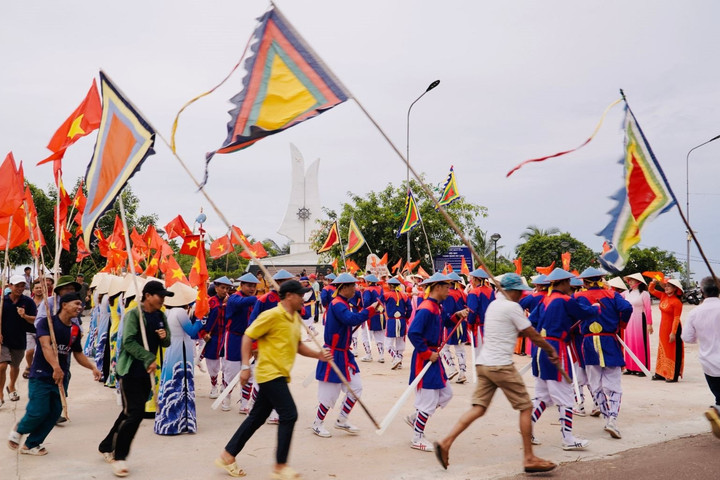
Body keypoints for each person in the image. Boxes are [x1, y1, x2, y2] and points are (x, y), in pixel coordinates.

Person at [434, 273, 559, 473]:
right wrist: (550, 350)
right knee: (526, 407)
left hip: (484, 364)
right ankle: (529, 458)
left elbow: (512, 330)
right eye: (519, 291)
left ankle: (446, 442)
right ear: (513, 290)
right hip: (501, 365)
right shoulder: (512, 307)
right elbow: (531, 333)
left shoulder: (494, 305)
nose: (521, 295)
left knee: (478, 408)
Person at [214, 280, 332, 479]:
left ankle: (228, 454)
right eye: (301, 294)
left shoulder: (294, 318)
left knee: (256, 418)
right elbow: (247, 336)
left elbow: (297, 346)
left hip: (280, 374)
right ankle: (280, 466)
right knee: (289, 414)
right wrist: (244, 368)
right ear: (289, 296)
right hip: (269, 373)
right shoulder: (272, 315)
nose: (305, 298)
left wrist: (318, 355)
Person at [8, 292, 101, 455]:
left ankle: (31, 444)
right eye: (76, 303)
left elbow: (77, 353)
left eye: (81, 305)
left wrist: (92, 367)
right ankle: (19, 430)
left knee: (54, 412)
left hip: (60, 378)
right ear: (64, 304)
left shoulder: (74, 329)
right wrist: (55, 367)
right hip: (41, 375)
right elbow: (45, 346)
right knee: (38, 410)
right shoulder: (47, 323)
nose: (80, 307)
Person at [98, 280, 173, 477]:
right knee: (136, 412)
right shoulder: (134, 314)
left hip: (147, 374)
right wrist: (148, 357)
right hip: (130, 371)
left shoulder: (160, 316)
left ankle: (106, 445)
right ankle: (119, 456)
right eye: (160, 296)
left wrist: (164, 336)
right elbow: (128, 342)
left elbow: (167, 342)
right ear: (148, 295)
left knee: (128, 412)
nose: (162, 300)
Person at [529, 268, 598, 451]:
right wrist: (596, 308)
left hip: (539, 348)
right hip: (555, 349)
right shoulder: (565, 300)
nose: (571, 285)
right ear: (563, 283)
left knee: (542, 396)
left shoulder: (545, 299)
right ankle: (568, 439)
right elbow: (584, 313)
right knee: (565, 397)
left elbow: (533, 319)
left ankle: (527, 429)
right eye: (569, 282)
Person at [406, 273, 467, 452]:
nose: (450, 290)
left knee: (446, 393)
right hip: (426, 358)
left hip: (434, 358)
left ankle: (415, 418)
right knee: (428, 400)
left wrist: (457, 315)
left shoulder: (437, 307)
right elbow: (413, 333)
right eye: (447, 287)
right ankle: (417, 437)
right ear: (438, 287)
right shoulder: (426, 308)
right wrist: (426, 353)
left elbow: (446, 322)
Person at [312, 273, 378, 438]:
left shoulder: (343, 303)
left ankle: (342, 419)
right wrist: (369, 310)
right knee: (329, 394)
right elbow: (351, 319)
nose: (355, 289)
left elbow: (350, 320)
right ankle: (317, 423)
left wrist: (367, 312)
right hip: (333, 354)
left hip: (344, 354)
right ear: (345, 288)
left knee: (356, 387)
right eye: (353, 286)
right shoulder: (338, 304)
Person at [574, 267, 632, 439]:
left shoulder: (578, 297)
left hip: (589, 342)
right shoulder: (612, 294)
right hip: (609, 340)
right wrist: (620, 324)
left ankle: (608, 417)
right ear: (601, 278)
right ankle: (612, 419)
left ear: (584, 281)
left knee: (595, 383)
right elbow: (627, 308)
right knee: (613, 383)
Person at [154, 282, 203, 435]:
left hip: (171, 348)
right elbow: (192, 331)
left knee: (170, 381)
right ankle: (183, 422)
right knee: (183, 384)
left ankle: (166, 420)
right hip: (182, 350)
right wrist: (202, 319)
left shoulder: (167, 312)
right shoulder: (180, 312)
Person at [681, 276, 720, 438]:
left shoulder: (695, 312)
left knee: (718, 393)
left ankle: (717, 410)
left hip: (709, 362)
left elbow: (687, 338)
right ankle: (717, 411)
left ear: (702, 292)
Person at [223, 273, 258, 413]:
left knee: (248, 372)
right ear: (241, 285)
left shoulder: (253, 300)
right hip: (233, 338)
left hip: (249, 339)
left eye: (254, 286)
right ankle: (226, 399)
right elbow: (241, 303)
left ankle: (244, 403)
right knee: (231, 372)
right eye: (249, 285)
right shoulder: (234, 298)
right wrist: (260, 298)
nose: (252, 288)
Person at [1, 275, 37, 406]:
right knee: (2, 365)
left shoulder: (28, 302)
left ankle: (11, 386)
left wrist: (24, 315)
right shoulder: (2, 301)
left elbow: (35, 319)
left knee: (15, 366)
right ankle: (0, 393)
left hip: (19, 338)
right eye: (17, 285)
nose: (20, 288)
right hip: (3, 339)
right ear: (10, 286)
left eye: (22, 285)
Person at [200, 276, 233, 399]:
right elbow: (202, 319)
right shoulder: (210, 302)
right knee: (212, 364)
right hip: (212, 337)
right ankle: (214, 386)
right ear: (216, 288)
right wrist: (203, 333)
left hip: (226, 336)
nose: (225, 290)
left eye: (227, 288)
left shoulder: (231, 302)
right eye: (222, 287)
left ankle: (224, 386)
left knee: (226, 363)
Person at [648, 278, 684, 382]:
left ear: (675, 289)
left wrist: (673, 333)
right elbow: (651, 290)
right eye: (666, 286)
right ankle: (660, 373)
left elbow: (676, 318)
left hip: (673, 328)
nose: (666, 288)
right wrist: (654, 281)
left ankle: (673, 375)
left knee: (673, 350)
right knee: (663, 349)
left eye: (669, 286)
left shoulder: (677, 302)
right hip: (663, 327)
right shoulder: (663, 296)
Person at [622, 273, 654, 375]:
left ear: (638, 282)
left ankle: (642, 367)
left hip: (640, 319)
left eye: (632, 280)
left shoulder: (644, 294)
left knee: (639, 343)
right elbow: (614, 295)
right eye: (629, 280)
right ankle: (630, 367)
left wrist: (649, 324)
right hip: (629, 320)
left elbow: (648, 309)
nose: (630, 282)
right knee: (629, 342)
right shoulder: (626, 293)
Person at [440, 272, 469, 383]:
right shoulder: (462, 293)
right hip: (462, 323)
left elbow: (447, 311)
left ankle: (452, 368)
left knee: (444, 347)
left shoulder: (448, 294)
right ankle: (462, 373)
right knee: (460, 349)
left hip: (452, 323)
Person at [383, 277, 412, 370]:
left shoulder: (386, 295)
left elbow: (379, 303)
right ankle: (399, 361)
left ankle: (396, 358)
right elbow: (410, 308)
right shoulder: (404, 295)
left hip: (391, 320)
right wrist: (406, 316)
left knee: (388, 343)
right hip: (402, 320)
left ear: (390, 285)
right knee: (400, 342)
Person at [360, 274, 385, 363]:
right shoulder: (380, 289)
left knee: (366, 336)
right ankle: (381, 355)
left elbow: (366, 301)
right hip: (380, 314)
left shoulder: (367, 290)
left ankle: (368, 354)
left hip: (370, 315)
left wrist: (365, 309)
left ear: (369, 282)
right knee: (380, 336)